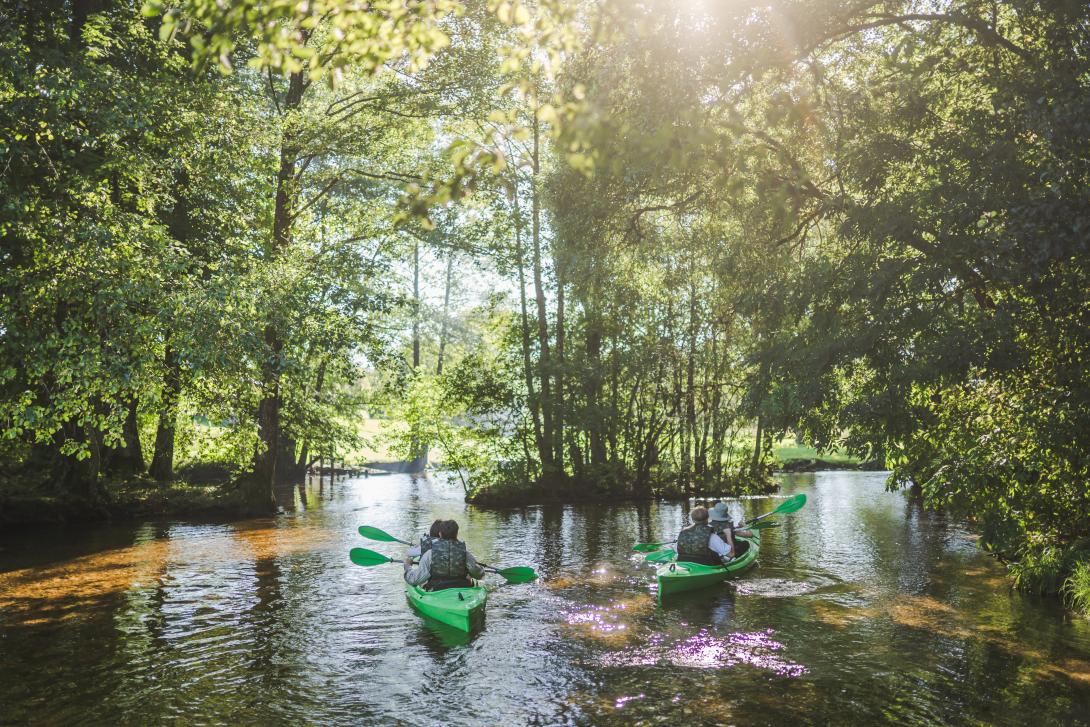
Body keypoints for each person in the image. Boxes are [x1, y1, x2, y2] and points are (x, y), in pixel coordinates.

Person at [403, 519, 485, 590]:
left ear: (440, 534)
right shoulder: (465, 553)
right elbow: (479, 575)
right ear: (456, 534)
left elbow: (414, 580)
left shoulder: (430, 554)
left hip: (437, 589)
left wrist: (407, 566)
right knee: (469, 578)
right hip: (462, 587)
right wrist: (477, 569)